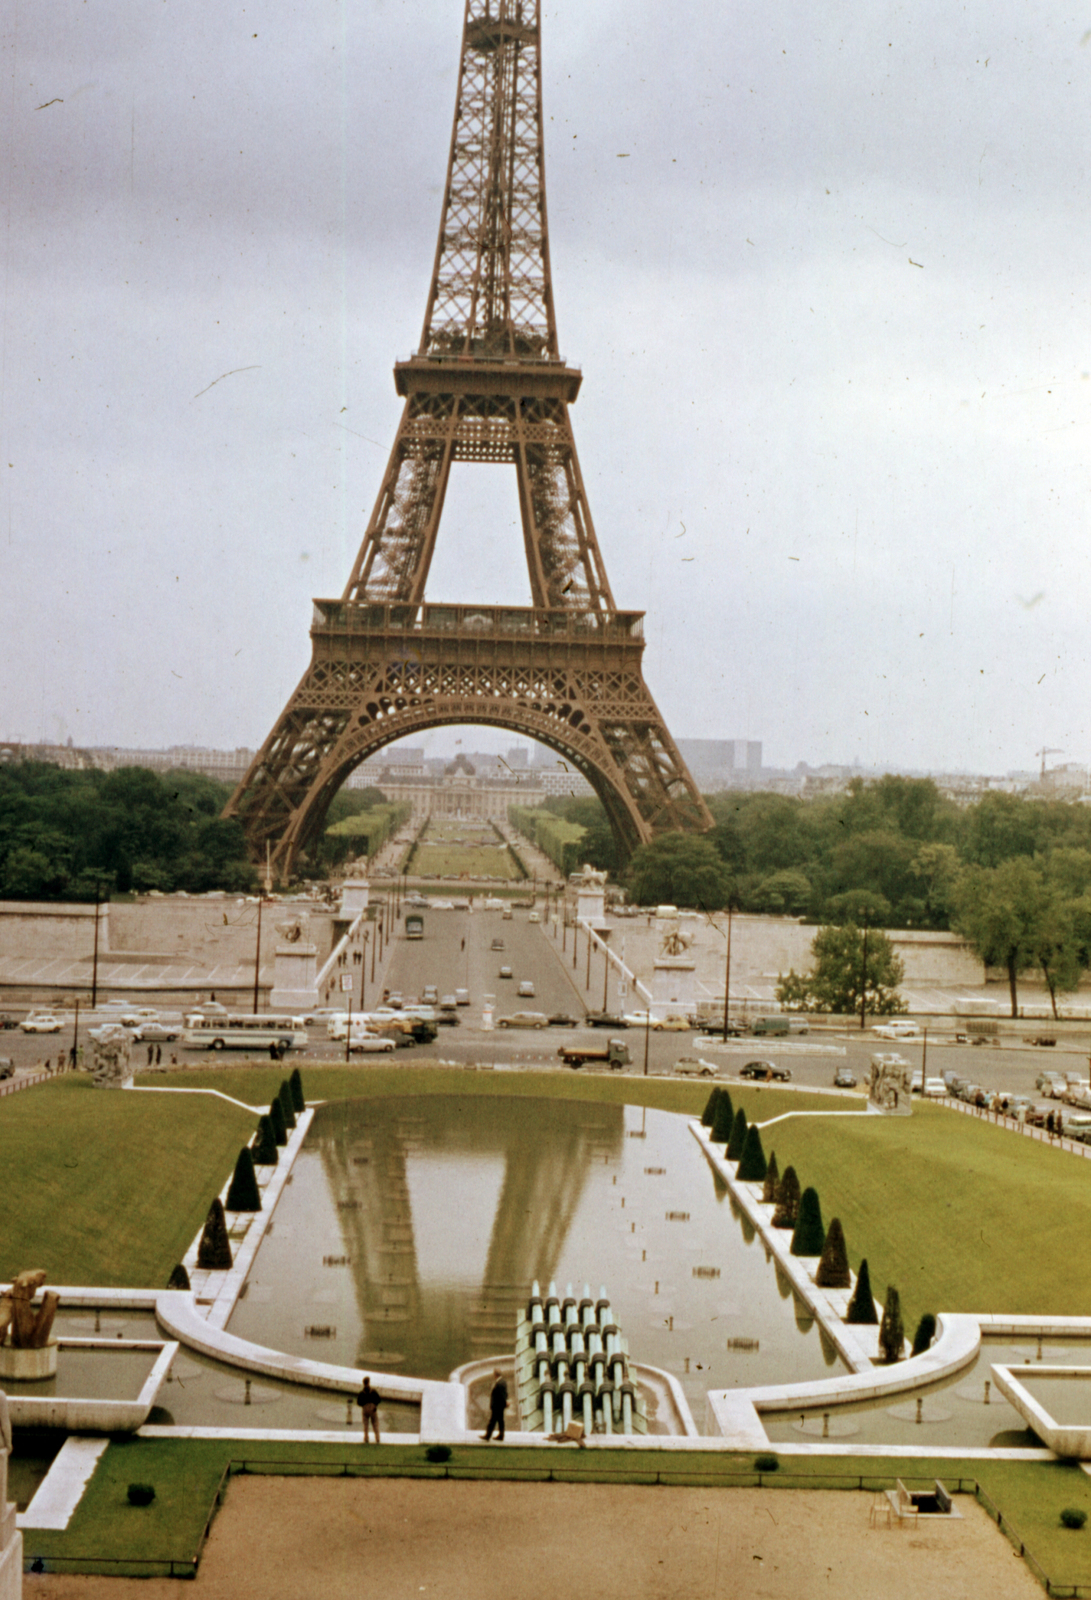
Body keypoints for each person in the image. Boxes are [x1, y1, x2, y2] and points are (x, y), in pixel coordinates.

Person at [482, 1370, 508, 1441]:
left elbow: (501, 1395)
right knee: (500, 1421)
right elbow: (505, 1394)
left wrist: (504, 1402)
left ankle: (488, 1435)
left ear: (495, 1375)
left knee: (493, 1421)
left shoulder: (499, 1383)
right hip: (500, 1405)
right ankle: (501, 1435)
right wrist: (505, 1402)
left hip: (497, 1406)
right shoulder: (503, 1382)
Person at [357, 1376, 381, 1443]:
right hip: (372, 1408)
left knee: (366, 1425)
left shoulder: (362, 1393)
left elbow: (358, 1402)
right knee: (375, 1423)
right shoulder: (373, 1391)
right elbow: (379, 1399)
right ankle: (377, 1438)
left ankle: (366, 1438)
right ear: (369, 1382)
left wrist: (363, 1405)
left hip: (365, 1408)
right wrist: (375, 1405)